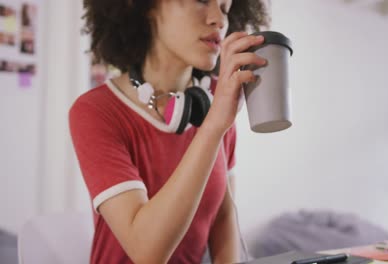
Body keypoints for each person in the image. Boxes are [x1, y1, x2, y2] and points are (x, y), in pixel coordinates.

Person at [69, 0, 270, 263]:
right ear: (147, 6)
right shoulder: (95, 111)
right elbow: (147, 252)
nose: (218, 20)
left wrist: (218, 118)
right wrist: (213, 126)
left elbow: (223, 218)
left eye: (225, 8)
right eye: (202, 1)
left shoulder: (217, 102)